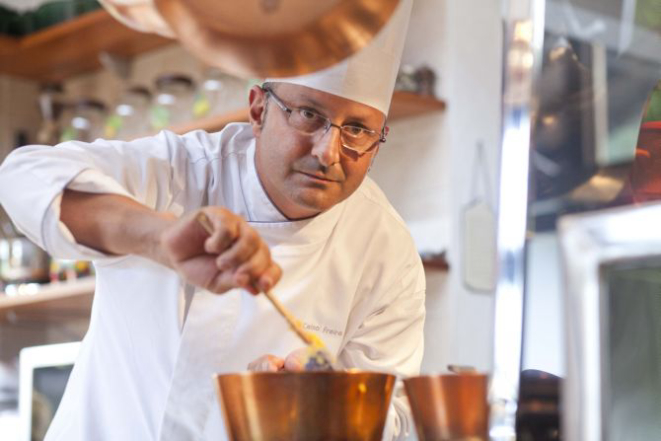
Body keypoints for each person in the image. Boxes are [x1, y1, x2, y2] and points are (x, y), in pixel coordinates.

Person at [0, 1, 425, 439]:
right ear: (258, 110)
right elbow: (23, 176)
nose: (327, 153)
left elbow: (394, 415)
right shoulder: (182, 169)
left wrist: (330, 405)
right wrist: (159, 238)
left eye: (357, 129)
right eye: (308, 115)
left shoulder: (386, 250)